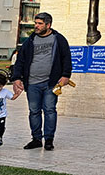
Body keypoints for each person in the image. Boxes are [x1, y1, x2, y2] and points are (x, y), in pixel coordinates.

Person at [11, 12, 72, 151]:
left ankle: (49, 140)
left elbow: (66, 58)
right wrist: (17, 78)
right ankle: (36, 139)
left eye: (39, 24)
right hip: (32, 83)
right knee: (34, 111)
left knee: (50, 110)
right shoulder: (30, 41)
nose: (36, 26)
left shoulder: (58, 39)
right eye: (35, 23)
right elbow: (20, 61)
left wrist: (65, 75)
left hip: (51, 83)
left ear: (48, 25)